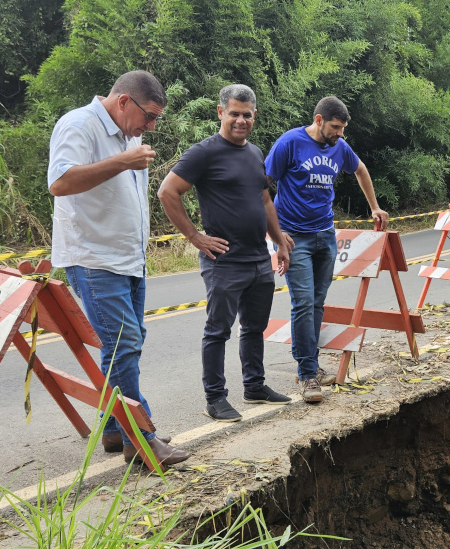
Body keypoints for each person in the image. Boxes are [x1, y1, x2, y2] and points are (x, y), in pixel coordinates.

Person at [47, 70, 190, 466]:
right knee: (123, 344)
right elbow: (59, 182)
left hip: (127, 258)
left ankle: (113, 429)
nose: (151, 126)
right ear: (124, 101)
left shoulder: (130, 134)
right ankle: (141, 438)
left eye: (156, 119)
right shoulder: (79, 124)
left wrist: (127, 155)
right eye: (149, 116)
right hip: (94, 258)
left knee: (126, 342)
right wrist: (122, 161)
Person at [157, 84, 293, 422]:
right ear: (220, 113)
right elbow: (168, 191)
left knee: (254, 326)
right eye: (234, 113)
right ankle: (215, 398)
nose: (240, 120)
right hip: (224, 262)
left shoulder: (255, 153)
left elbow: (264, 201)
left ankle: (255, 385)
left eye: (247, 115)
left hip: (258, 258)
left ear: (254, 116)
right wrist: (195, 237)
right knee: (219, 329)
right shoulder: (204, 152)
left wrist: (278, 242)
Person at [264, 96, 388, 403]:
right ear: (319, 120)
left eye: (343, 128)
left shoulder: (340, 147)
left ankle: (310, 364)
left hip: (325, 235)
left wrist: (374, 206)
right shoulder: (289, 143)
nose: (340, 133)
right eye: (335, 127)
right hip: (294, 237)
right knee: (304, 302)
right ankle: (307, 374)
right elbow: (262, 185)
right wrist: (275, 235)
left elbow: (360, 170)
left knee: (317, 303)